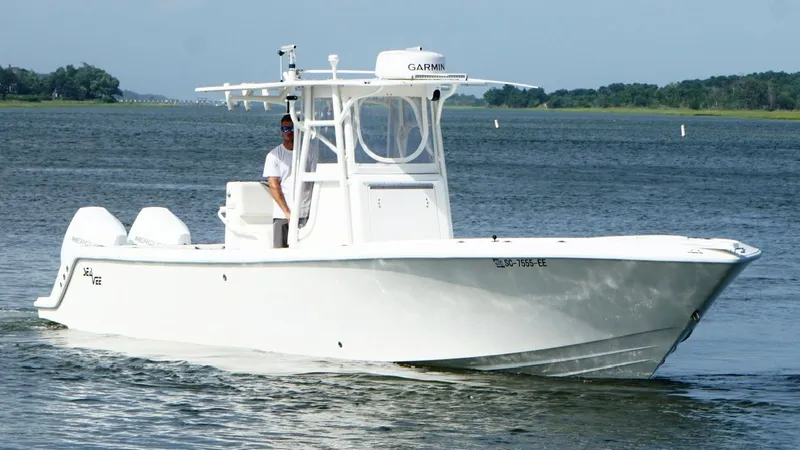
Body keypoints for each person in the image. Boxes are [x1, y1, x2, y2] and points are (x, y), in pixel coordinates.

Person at [263, 114, 313, 248]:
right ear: (281, 131)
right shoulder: (274, 156)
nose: (289, 132)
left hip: (306, 213)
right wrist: (287, 212)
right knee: (280, 251)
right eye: (285, 129)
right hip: (282, 215)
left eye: (291, 128)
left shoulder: (310, 153)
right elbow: (274, 185)